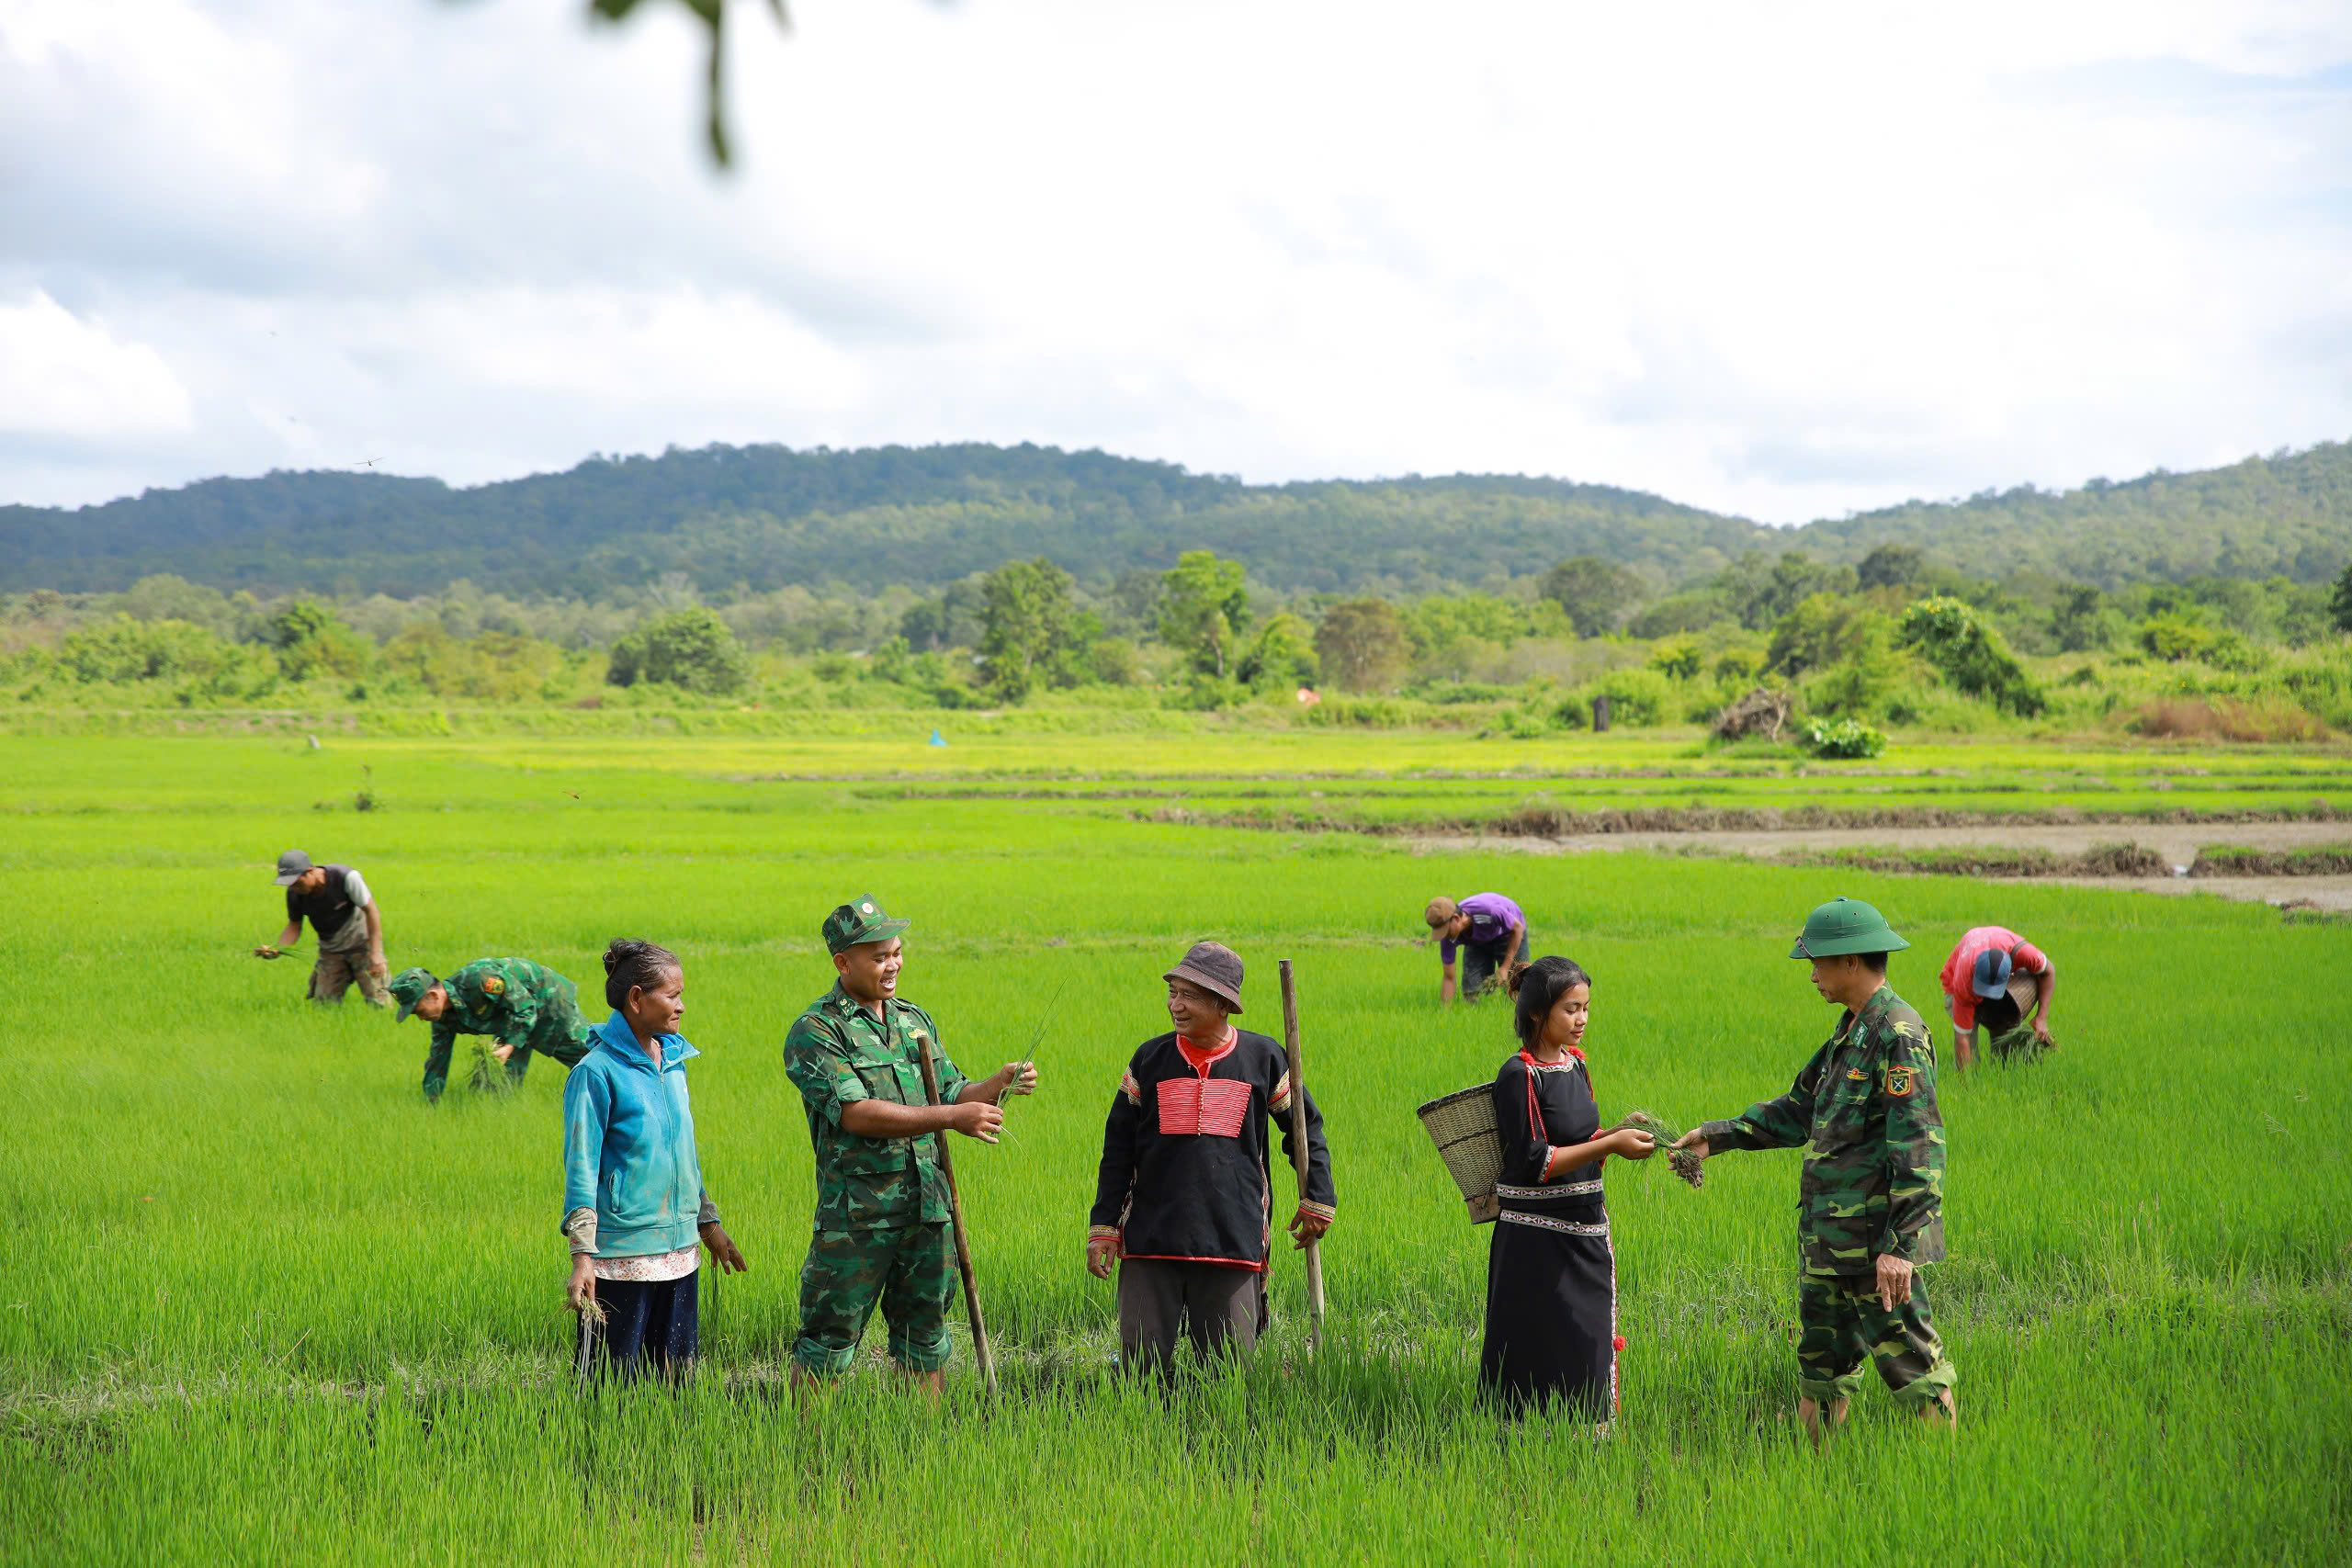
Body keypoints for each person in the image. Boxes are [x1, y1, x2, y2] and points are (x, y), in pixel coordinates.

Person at [1671, 897, 1957, 1438]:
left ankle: (1947, 1479)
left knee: (1916, 1370)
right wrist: (1716, 1137)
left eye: (1817, 962)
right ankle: (1815, 1475)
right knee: (1822, 1375)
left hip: (1877, 1247)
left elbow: (1919, 1147)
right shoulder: (1847, 1035)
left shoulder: (1898, 1035)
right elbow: (1799, 1109)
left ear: (1851, 961)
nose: (1811, 976)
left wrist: (1902, 1248)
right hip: (1828, 1240)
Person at [782, 896, 1035, 1390]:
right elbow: (856, 1114)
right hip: (857, 1218)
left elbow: (955, 1091)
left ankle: (923, 1444)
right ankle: (805, 1450)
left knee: (927, 1337)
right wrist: (953, 1117)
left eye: (896, 951)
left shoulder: (913, 1020)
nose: (893, 963)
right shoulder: (816, 1031)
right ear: (843, 962)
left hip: (928, 1209)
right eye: (878, 957)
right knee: (829, 1340)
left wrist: (998, 1083)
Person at [1086, 942, 1337, 1373]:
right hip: (1152, 1238)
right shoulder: (1151, 1059)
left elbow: (1304, 1129)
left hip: (1232, 1237)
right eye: (1173, 993)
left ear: (1223, 1005)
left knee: (1226, 1372)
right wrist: (1105, 1227)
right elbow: (1118, 1150)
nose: (1175, 1006)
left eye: (1190, 996)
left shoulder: (1264, 1058)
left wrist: (1317, 1197)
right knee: (1139, 1367)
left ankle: (1219, 1440)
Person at [561, 939, 749, 1381]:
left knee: (674, 1379)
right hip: (622, 1256)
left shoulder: (674, 1060)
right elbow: (581, 1168)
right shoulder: (595, 1072)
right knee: (608, 1383)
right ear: (636, 999)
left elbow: (682, 1154)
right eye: (673, 995)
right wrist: (582, 1256)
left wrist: (708, 1223)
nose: (682, 1006)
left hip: (680, 1252)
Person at [1480, 957, 1655, 1423]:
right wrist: (1613, 1144)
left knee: (1587, 1336)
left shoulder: (1576, 1065)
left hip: (1585, 1226)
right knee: (1536, 1342)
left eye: (1586, 1008)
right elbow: (1536, 1161)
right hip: (1534, 1240)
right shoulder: (1520, 1075)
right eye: (1571, 1010)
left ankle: (1587, 1441)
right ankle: (1518, 1439)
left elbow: (1583, 1145)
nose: (1581, 1020)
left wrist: (1615, 1134)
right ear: (1538, 1013)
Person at [390, 958, 595, 1103]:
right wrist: (431, 1102)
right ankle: (502, 1119)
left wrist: (509, 1047)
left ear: (433, 996)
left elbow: (525, 1007)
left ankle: (617, 1100)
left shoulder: (479, 980)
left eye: (418, 1010)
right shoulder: (442, 1019)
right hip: (512, 1021)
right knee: (498, 1087)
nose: (421, 1017)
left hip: (547, 1002)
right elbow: (438, 1058)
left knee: (588, 1059)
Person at [256, 849, 390, 1007]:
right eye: (289, 884)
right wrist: (277, 949)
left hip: (362, 945)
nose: (294, 888)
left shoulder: (345, 877)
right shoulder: (294, 894)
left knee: (379, 1003)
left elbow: (371, 911)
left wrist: (376, 953)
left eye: (297, 883)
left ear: (310, 871)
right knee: (324, 1005)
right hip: (331, 951)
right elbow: (294, 926)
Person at [1937, 926, 2055, 1069]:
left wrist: (2041, 1018)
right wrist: (1966, 1086)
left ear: (2010, 974)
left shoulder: (2024, 954)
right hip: (1957, 981)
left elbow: (2049, 972)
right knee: (1969, 1048)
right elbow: (1963, 1038)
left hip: (2000, 949)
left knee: (2005, 1030)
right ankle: (1971, 1079)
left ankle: (2003, 1069)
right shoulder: (1963, 981)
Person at [1425, 892, 1530, 1004]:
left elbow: (1517, 928)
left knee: (1517, 983)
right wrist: (1445, 1014)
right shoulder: (1448, 937)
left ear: (1456, 918)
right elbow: (1449, 977)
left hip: (1509, 933)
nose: (1444, 935)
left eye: (1445, 930)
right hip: (1477, 941)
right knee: (1471, 990)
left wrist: (1504, 968)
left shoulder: (1489, 912)